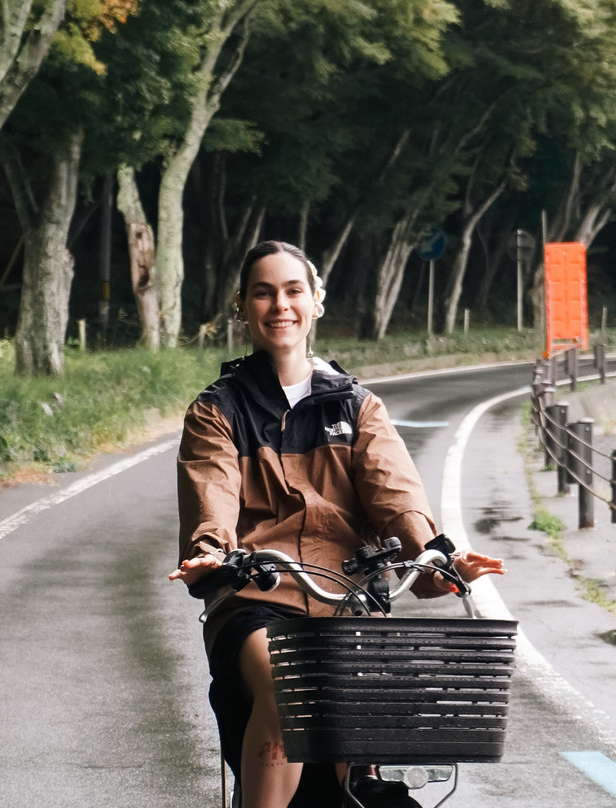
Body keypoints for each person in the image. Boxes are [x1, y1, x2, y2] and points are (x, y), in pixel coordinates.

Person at [169, 240, 505, 808]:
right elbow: (214, 494)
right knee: (286, 682)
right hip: (258, 594)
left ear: (316, 302)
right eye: (264, 292)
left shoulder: (358, 407)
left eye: (294, 290)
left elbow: (396, 496)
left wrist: (434, 558)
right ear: (241, 306)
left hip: (348, 597)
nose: (281, 305)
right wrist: (211, 550)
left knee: (362, 764)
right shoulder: (217, 409)